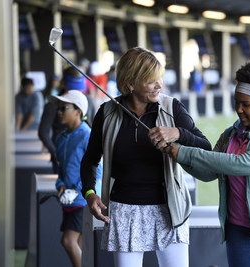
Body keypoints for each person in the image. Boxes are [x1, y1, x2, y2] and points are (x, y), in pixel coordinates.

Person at [166, 61, 250, 267]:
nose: (239, 109)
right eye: (236, 102)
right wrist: (174, 151)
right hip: (239, 234)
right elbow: (208, 172)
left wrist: (186, 152)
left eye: (246, 104)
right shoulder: (230, 134)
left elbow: (243, 164)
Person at [80, 47, 211, 267]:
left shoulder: (172, 108)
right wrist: (90, 193)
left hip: (170, 210)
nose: (159, 85)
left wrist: (178, 133)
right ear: (130, 83)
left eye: (159, 79)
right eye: (152, 81)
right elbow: (90, 160)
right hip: (124, 211)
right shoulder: (106, 113)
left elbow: (205, 147)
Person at [51, 90, 102, 267]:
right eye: (58, 108)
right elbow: (60, 169)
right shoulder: (61, 138)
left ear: (78, 111)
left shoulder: (87, 135)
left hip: (82, 200)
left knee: (68, 241)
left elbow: (97, 170)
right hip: (68, 200)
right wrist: (61, 185)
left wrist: (78, 190)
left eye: (63, 108)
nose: (59, 112)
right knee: (79, 245)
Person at [38, 66, 95, 173]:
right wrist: (55, 152)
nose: (77, 92)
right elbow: (43, 132)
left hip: (84, 155)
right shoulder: (53, 104)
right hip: (61, 155)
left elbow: (94, 126)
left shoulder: (88, 101)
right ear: (63, 83)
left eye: (79, 88)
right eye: (73, 88)